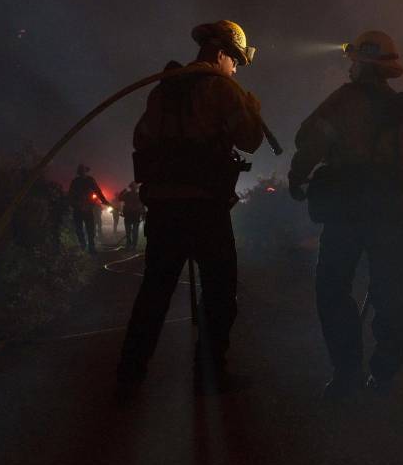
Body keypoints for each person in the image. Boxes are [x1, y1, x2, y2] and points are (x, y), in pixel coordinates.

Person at [288, 30, 403, 400]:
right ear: (388, 69)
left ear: (360, 64)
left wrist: (298, 178)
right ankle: (384, 374)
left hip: (344, 213)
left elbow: (307, 142)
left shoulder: (341, 102)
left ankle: (346, 374)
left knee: (332, 290)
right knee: (388, 292)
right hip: (387, 214)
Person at [115, 20, 264, 396]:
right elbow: (249, 140)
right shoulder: (222, 89)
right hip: (205, 209)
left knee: (155, 292)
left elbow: (141, 138)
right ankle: (211, 374)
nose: (235, 70)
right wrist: (250, 108)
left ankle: (130, 375)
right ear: (220, 54)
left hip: (165, 209)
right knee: (219, 292)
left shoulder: (164, 91)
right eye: (235, 62)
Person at [68, 164, 110, 254]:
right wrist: (75, 204)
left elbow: (98, 191)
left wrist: (104, 200)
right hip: (78, 208)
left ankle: (91, 247)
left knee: (90, 229)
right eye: (81, 171)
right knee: (79, 229)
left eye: (83, 171)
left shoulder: (89, 180)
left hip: (87, 208)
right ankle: (83, 245)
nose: (82, 172)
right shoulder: (75, 181)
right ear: (79, 172)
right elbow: (70, 195)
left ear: (85, 171)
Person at [118, 182, 145, 250]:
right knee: (132, 231)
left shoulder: (129, 194)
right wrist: (143, 214)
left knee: (130, 231)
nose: (134, 188)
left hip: (131, 215)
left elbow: (120, 198)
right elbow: (142, 206)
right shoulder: (136, 195)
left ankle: (130, 244)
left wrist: (124, 190)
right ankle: (132, 245)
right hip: (132, 215)